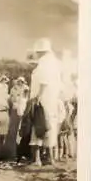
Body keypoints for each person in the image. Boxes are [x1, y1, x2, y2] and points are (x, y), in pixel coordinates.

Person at [28, 38, 63, 167]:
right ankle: (50, 158)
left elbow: (43, 82)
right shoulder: (54, 64)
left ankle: (37, 160)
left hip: (42, 101)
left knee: (38, 128)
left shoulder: (43, 64)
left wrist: (37, 97)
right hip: (51, 100)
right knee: (49, 129)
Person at [5, 76, 29, 161]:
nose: (20, 83)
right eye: (19, 81)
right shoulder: (13, 89)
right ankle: (12, 153)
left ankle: (21, 153)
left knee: (22, 133)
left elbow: (26, 97)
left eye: (21, 82)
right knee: (12, 132)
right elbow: (11, 101)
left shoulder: (26, 89)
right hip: (15, 111)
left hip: (22, 112)